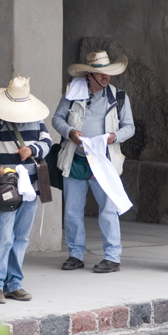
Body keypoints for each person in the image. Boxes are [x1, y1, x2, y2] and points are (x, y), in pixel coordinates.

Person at [0, 76, 52, 303]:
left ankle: (13, 283)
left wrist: (33, 149)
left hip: (30, 186)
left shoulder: (35, 118)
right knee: (4, 235)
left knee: (21, 237)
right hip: (5, 185)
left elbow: (47, 142)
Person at [52, 50, 135, 273]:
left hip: (104, 161)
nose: (106, 77)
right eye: (101, 73)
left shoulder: (118, 97)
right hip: (75, 159)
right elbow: (57, 119)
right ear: (89, 75)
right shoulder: (72, 95)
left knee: (108, 210)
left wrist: (113, 137)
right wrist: (70, 132)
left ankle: (112, 257)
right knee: (71, 211)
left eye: (108, 73)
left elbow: (129, 127)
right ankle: (75, 255)